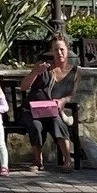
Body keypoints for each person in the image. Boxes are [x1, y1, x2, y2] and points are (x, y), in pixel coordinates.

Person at [21, 36, 79, 173]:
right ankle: (38, 160)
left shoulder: (76, 71)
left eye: (62, 49)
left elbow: (72, 94)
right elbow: (23, 87)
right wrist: (35, 72)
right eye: (56, 50)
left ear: (68, 50)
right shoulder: (43, 66)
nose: (59, 53)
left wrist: (63, 101)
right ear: (52, 51)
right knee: (36, 124)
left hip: (52, 110)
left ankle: (67, 160)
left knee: (57, 121)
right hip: (33, 110)